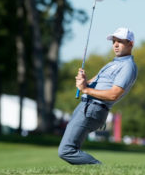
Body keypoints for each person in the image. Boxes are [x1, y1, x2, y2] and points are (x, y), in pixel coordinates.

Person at [58, 27, 138, 165]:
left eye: (120, 41)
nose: (116, 45)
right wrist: (84, 81)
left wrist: (86, 90)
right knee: (67, 148)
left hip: (94, 109)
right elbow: (89, 84)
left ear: (131, 44)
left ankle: (102, 170)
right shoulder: (112, 63)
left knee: (66, 150)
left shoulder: (128, 66)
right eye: (114, 41)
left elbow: (114, 94)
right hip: (85, 106)